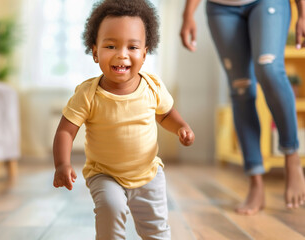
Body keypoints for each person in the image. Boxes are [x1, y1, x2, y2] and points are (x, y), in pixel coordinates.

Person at [52, 0, 195, 239]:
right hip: (104, 174)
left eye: (132, 47)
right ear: (95, 51)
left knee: (156, 230)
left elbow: (166, 114)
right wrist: (61, 164)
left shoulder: (152, 87)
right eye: (110, 46)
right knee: (111, 209)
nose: (122, 55)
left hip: (148, 174)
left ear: (145, 52)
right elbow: (66, 131)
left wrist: (181, 127)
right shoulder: (87, 94)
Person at [180, 0, 305, 215]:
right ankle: (255, 180)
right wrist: (188, 14)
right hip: (220, 7)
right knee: (240, 87)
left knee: (269, 70)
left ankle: (291, 156)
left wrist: (302, 12)